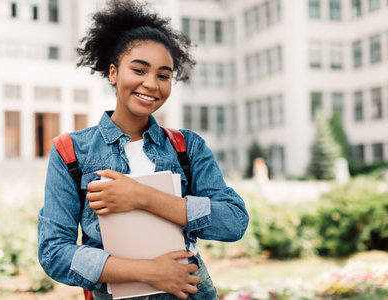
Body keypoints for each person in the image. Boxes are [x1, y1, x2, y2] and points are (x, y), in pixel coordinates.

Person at [37, 1, 249, 299]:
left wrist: (143, 197)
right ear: (113, 73)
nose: (151, 84)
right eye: (139, 70)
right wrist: (149, 272)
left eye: (163, 75)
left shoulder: (187, 147)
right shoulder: (71, 152)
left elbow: (233, 222)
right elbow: (54, 252)